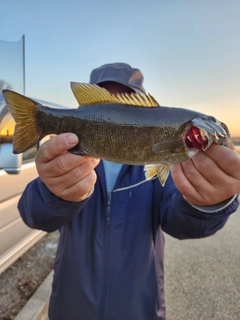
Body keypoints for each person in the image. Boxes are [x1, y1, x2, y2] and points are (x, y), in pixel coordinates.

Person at [18, 62, 240, 320]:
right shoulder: (64, 162)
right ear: (85, 106)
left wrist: (209, 204)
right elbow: (33, 214)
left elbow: (182, 224)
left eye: (124, 100)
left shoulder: (165, 174)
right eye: (103, 101)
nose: (115, 112)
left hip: (140, 311)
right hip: (70, 309)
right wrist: (54, 193)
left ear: (140, 102)